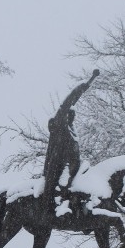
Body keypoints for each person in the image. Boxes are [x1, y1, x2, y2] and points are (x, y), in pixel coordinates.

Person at [42, 69, 99, 215]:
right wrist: (88, 83)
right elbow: (70, 100)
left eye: (72, 114)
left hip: (74, 166)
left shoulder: (71, 130)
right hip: (61, 165)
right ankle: (58, 207)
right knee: (63, 184)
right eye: (69, 114)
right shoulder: (61, 126)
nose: (72, 115)